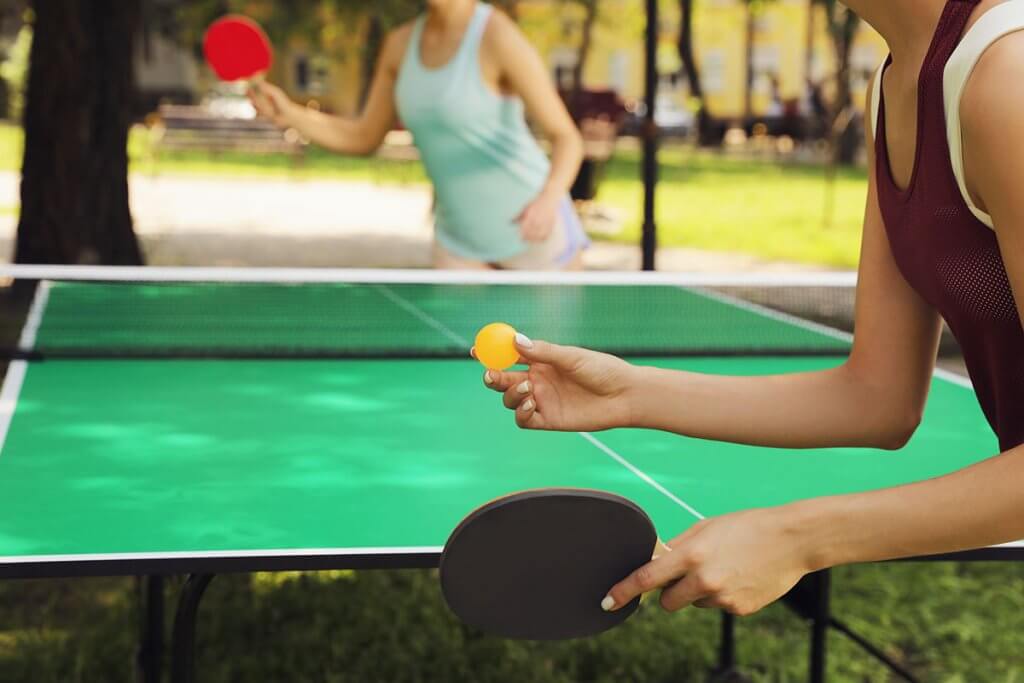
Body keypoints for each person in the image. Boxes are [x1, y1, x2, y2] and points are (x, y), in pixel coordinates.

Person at [482, 0, 1024, 616]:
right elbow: (879, 398)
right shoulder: (894, 86)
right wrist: (631, 394)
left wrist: (799, 538)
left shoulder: (1008, 76)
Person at [249, 0, 588, 270]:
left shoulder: (496, 34)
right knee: (458, 356)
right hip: (459, 244)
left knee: (549, 357)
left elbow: (566, 137)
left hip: (537, 239)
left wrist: (548, 200)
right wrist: (288, 113)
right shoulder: (399, 44)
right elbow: (362, 136)